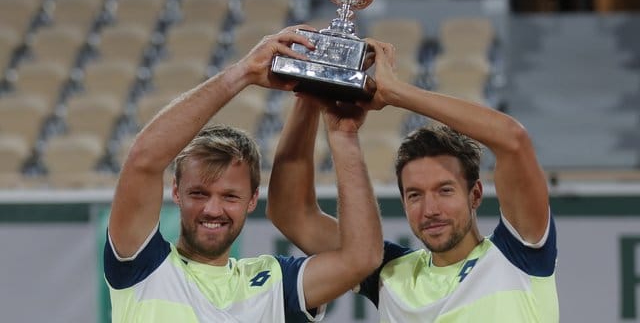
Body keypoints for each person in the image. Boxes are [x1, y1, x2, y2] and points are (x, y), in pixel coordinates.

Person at [103, 25, 383, 322]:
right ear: (175, 191)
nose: (212, 209)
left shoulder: (274, 282)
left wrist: (338, 128)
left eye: (229, 196)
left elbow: (361, 258)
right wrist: (243, 74)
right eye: (199, 193)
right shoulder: (141, 266)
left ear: (252, 199)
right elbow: (143, 160)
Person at [267, 38, 558, 322]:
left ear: (475, 194)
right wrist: (310, 90)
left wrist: (396, 93)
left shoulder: (519, 254)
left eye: (444, 190)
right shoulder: (389, 271)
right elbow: (292, 215)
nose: (430, 209)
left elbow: (513, 139)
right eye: (415, 195)